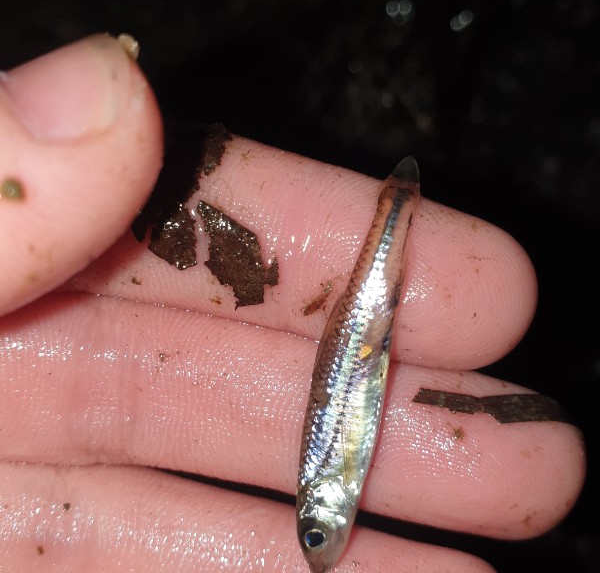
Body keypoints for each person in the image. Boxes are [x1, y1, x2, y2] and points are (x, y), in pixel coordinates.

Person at [0, 34, 585, 572]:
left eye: (316, 532)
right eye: (317, 537)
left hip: (357, 342)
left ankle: (396, 209)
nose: (325, 542)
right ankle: (395, 210)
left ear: (320, 505)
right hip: (361, 343)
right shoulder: (334, 489)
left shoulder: (327, 485)